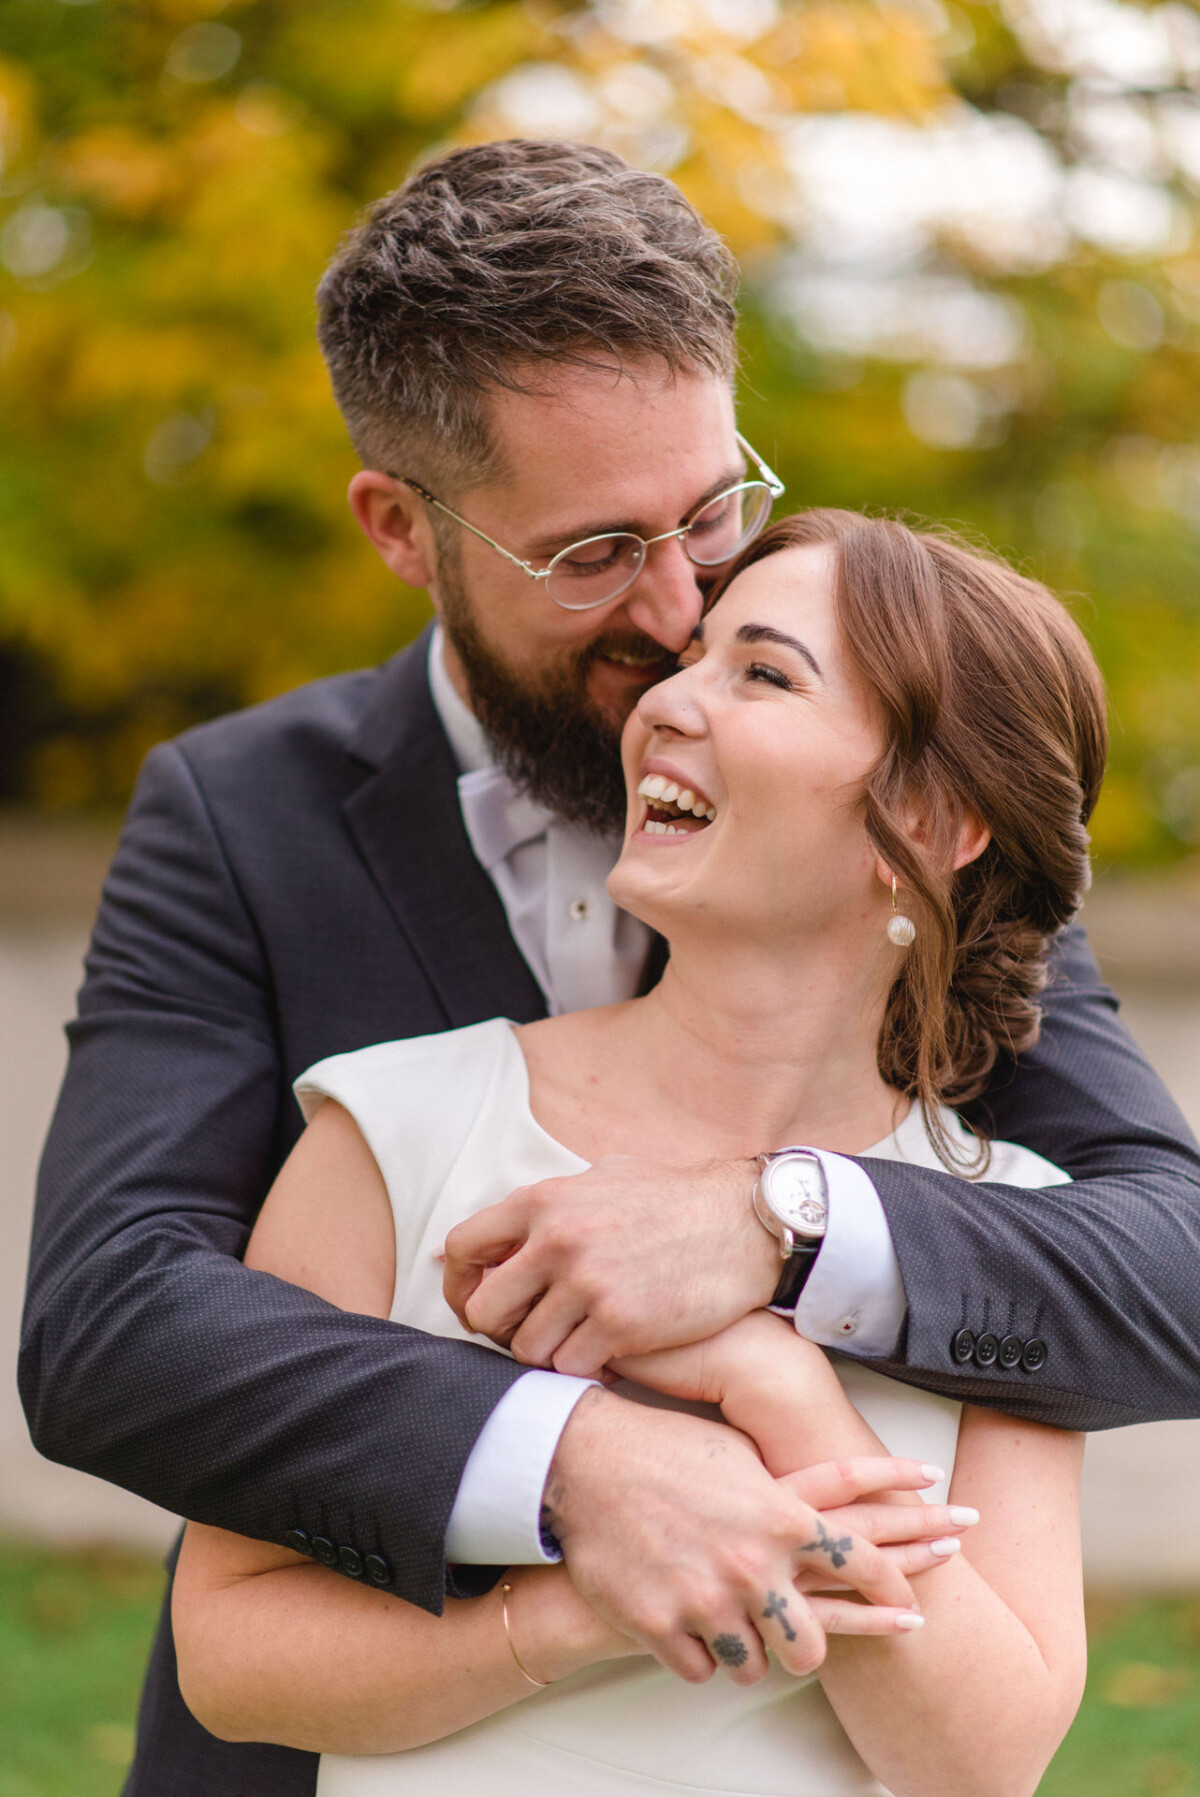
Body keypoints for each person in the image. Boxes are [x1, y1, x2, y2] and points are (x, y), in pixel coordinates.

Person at [19, 140, 1200, 1797]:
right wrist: (578, 1459)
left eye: (715, 511)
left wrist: (776, 1240)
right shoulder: (242, 819)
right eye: (590, 553)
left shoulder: (902, 832)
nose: (676, 607)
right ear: (404, 530)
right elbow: (111, 1327)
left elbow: (1172, 1261)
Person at [170, 508, 1096, 1796]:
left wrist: (773, 1390)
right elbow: (228, 1655)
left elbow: (983, 1762)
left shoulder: (1022, 1233)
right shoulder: (394, 1128)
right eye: (692, 659)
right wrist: (584, 1604)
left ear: (935, 821)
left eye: (763, 672)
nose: (666, 703)